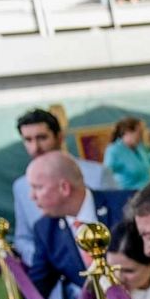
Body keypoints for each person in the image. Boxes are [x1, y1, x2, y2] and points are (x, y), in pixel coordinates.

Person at [7, 152, 132, 299]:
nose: (31, 197)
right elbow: (36, 289)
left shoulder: (127, 205)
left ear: (64, 188)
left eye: (37, 187)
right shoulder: (45, 230)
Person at [12, 108, 106, 266]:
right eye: (28, 140)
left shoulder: (97, 174)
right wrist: (47, 260)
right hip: (56, 283)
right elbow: (23, 238)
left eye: (42, 138)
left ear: (59, 137)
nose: (36, 147)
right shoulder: (21, 187)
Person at [103, 116, 150, 190]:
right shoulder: (114, 150)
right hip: (128, 196)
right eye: (139, 133)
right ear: (127, 132)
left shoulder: (139, 146)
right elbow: (105, 175)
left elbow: (147, 162)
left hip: (146, 193)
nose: (141, 136)